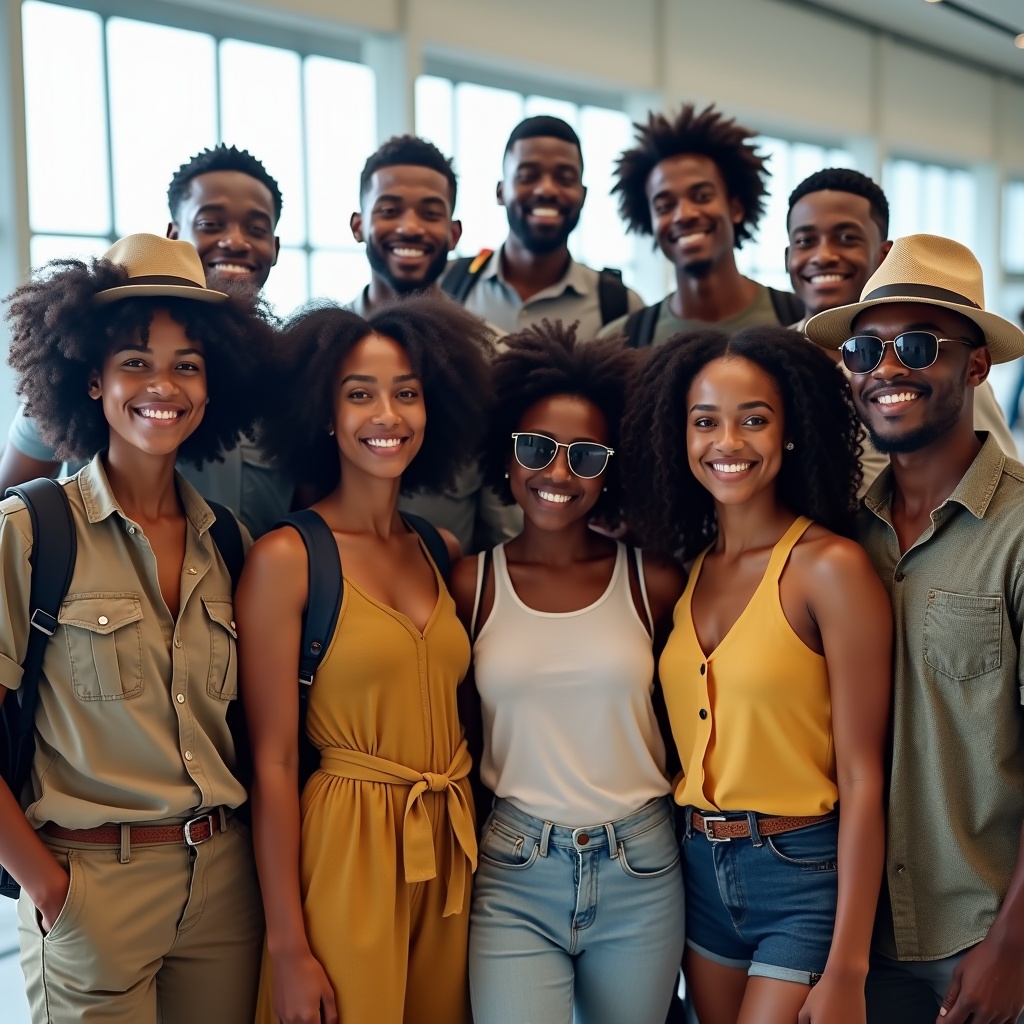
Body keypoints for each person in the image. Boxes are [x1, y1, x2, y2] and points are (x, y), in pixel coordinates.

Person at [0, 233, 275, 1024]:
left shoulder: (232, 543)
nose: (164, 386)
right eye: (135, 362)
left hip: (225, 891)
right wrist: (48, 887)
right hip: (91, 884)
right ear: (90, 378)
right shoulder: (30, 532)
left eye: (187, 364)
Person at [622, 325, 892, 1024]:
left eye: (754, 421)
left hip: (801, 873)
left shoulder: (830, 570)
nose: (727, 443)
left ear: (791, 431)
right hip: (696, 871)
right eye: (705, 422)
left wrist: (848, 970)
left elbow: (866, 776)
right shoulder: (687, 574)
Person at [238, 296, 494, 1024]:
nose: (388, 414)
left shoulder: (440, 552)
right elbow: (275, 765)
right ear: (326, 413)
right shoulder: (286, 559)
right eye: (360, 395)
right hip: (346, 850)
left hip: (448, 846)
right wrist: (289, 946)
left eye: (407, 393)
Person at [804, 233, 1024, 1024]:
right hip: (852, 942)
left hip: (984, 939)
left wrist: (1012, 945)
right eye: (865, 349)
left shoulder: (1020, 530)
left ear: (975, 366)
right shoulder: (834, 535)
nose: (886, 368)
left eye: (918, 345)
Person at [450, 322, 685, 1023]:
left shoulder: (656, 584)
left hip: (641, 866)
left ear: (613, 469)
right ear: (506, 454)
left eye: (585, 456)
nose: (557, 474)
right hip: (517, 868)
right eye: (535, 449)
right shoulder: (470, 586)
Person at [0, 144, 292, 538]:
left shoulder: (294, 374)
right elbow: (10, 496)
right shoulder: (82, 358)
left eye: (256, 229)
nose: (235, 241)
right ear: (174, 235)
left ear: (274, 247)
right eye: (210, 224)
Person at [785, 168, 1016, 492]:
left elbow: (997, 483)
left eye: (847, 238)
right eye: (805, 241)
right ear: (787, 257)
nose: (824, 256)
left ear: (883, 255)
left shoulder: (948, 369)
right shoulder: (766, 363)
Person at [349, 134, 520, 553]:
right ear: (358, 225)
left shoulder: (496, 358)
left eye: (430, 213)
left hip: (449, 599)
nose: (409, 227)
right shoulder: (316, 350)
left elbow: (505, 525)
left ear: (453, 232)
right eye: (389, 211)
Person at [598, 104, 802, 347]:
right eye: (664, 206)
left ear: (735, 208)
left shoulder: (800, 320)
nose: (683, 215)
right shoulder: (620, 341)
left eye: (702, 196)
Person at [442, 115, 643, 337]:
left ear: (583, 195)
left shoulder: (623, 307)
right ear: (501, 191)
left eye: (565, 178)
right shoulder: (444, 285)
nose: (546, 190)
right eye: (528, 176)